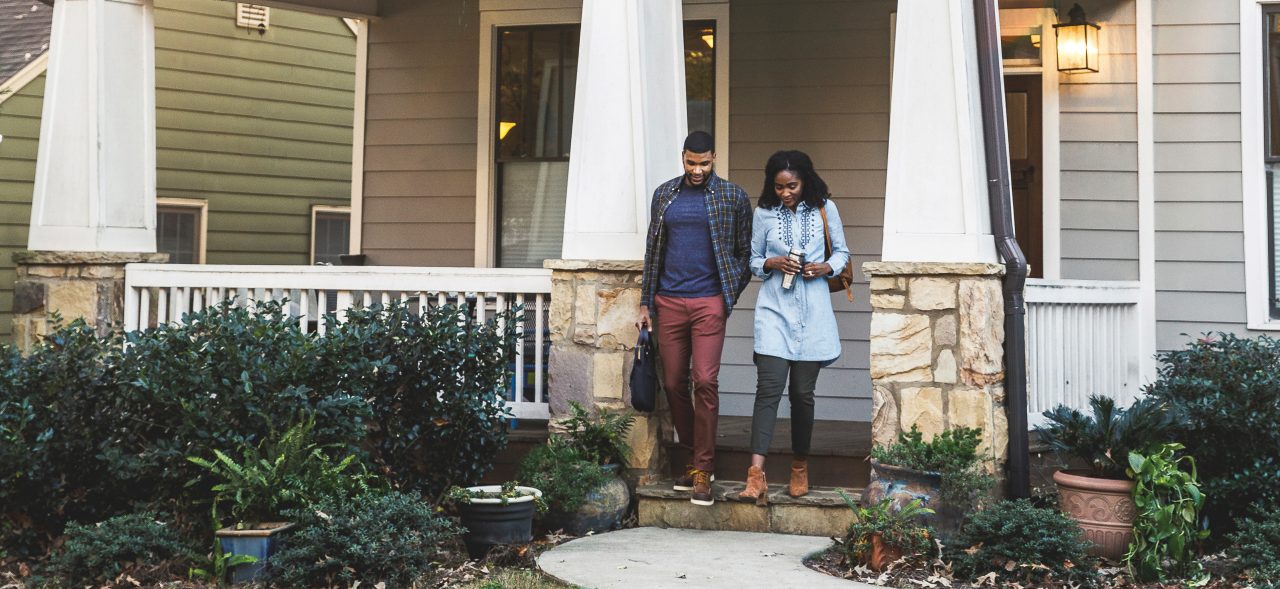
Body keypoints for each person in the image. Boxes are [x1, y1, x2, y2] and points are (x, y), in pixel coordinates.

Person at [636, 131, 752, 507]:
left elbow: (743, 252)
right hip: (668, 302)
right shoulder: (664, 194)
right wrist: (645, 303)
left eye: (704, 163)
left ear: (714, 157)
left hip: (707, 303)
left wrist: (725, 296)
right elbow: (654, 251)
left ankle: (703, 469)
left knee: (705, 380)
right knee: (672, 383)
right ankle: (690, 459)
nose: (697, 170)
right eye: (691, 162)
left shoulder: (732, 196)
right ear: (682, 157)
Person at [738, 150, 849, 505]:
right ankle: (755, 474)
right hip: (774, 311)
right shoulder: (764, 214)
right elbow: (753, 260)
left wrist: (824, 268)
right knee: (767, 391)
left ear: (806, 180)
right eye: (779, 186)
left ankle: (800, 465)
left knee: (802, 395)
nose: (786, 193)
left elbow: (843, 253)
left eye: (793, 186)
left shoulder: (824, 209)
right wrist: (771, 261)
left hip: (813, 312)